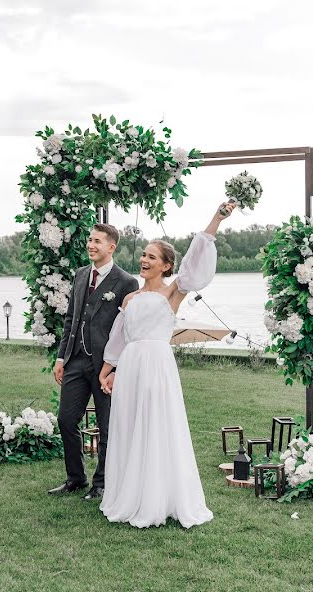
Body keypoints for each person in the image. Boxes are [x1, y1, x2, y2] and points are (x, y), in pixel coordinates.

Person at [97, 201, 235, 528]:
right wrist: (108, 369)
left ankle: (158, 497)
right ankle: (129, 494)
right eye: (143, 255)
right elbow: (120, 337)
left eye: (152, 257)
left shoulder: (173, 293)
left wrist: (216, 218)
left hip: (156, 364)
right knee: (130, 425)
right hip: (130, 365)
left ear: (166, 265)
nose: (144, 260)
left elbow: (196, 260)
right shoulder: (129, 298)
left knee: (155, 424)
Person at [49, 223, 139, 500]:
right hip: (76, 360)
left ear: (111, 247)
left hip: (106, 366)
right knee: (66, 419)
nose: (91, 244)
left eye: (98, 241)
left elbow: (128, 329)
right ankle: (75, 478)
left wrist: (116, 369)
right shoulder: (80, 275)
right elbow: (70, 319)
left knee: (107, 425)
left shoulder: (126, 282)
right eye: (90, 239)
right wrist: (62, 356)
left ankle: (102, 483)